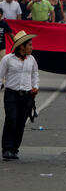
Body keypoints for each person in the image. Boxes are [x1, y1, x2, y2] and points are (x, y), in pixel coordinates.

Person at [0, 31, 39, 160]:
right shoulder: (7, 59)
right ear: (21, 46)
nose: (32, 47)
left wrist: (35, 87)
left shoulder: (31, 60)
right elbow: (0, 76)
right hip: (11, 94)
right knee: (11, 119)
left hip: (27, 95)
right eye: (29, 44)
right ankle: (7, 149)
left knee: (21, 122)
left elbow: (35, 74)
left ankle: (15, 148)